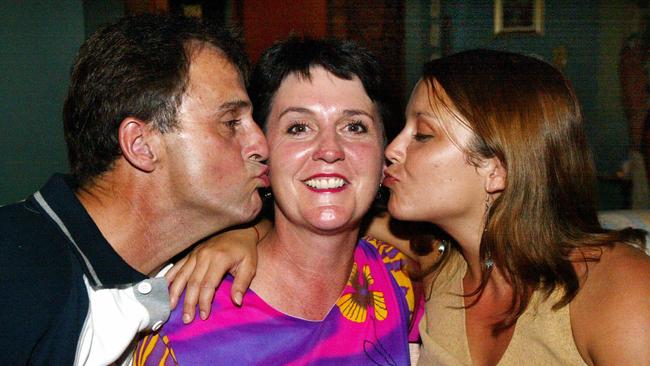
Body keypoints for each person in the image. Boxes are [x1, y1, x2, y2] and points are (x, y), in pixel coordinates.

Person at [134, 37, 422, 365]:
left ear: (385, 154)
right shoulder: (188, 317)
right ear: (261, 152)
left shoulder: (399, 281)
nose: (330, 150)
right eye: (299, 128)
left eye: (355, 127)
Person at [0, 14, 268, 365]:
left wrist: (252, 234)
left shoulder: (185, 260)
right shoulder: (16, 266)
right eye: (231, 123)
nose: (261, 144)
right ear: (141, 145)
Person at [383, 49, 650, 365]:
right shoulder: (440, 266)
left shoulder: (620, 290)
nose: (392, 149)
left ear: (498, 170)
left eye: (423, 135)